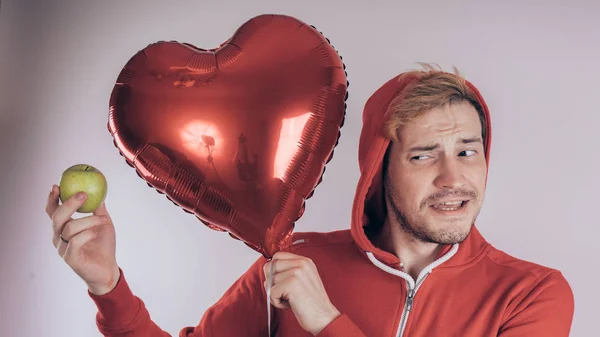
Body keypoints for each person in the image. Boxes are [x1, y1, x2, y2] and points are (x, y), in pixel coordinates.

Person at [46, 64, 575, 336]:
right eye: (423, 156)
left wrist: (326, 321)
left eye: (468, 151)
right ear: (378, 170)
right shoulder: (293, 264)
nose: (452, 177)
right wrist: (107, 286)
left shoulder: (531, 294)